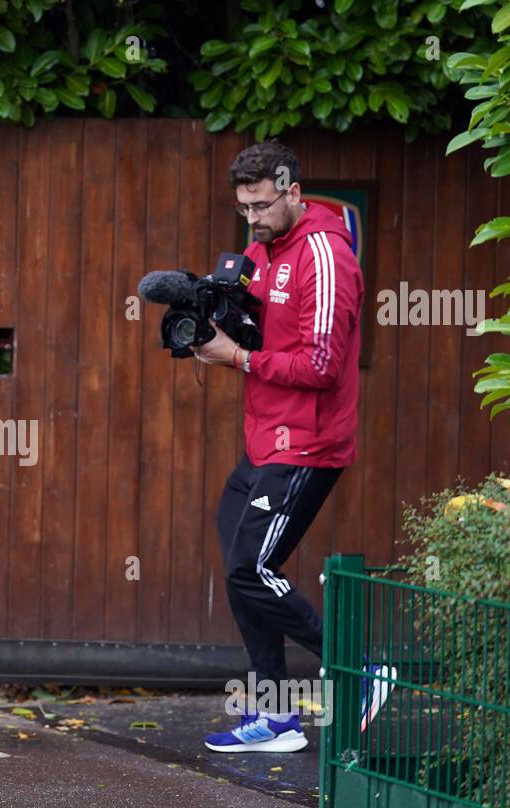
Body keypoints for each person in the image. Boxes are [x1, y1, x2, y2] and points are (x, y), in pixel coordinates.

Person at [193, 141, 390, 753]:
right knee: (238, 563)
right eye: (243, 207)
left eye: (261, 205)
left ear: (293, 191)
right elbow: (254, 320)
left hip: (309, 443)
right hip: (265, 439)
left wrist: (241, 358)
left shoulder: (327, 255)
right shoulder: (262, 249)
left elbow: (326, 365)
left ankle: (362, 669)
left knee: (252, 569)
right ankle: (278, 717)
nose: (251, 218)